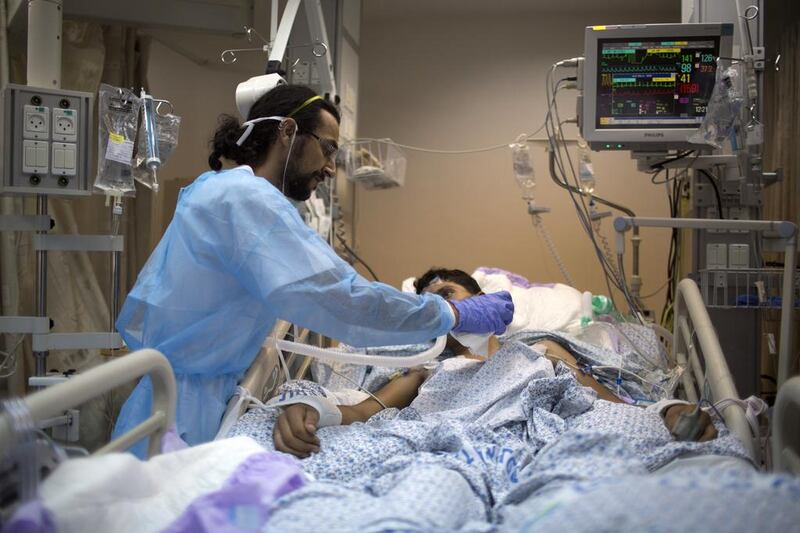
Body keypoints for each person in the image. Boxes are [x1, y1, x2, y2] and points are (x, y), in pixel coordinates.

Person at [112, 86, 514, 455]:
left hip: (189, 399)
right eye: (328, 148)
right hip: (181, 413)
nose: (331, 168)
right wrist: (451, 314)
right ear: (288, 131)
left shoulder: (229, 192)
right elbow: (344, 299)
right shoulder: (245, 199)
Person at [272, 267, 716, 457]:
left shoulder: (540, 348)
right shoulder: (426, 369)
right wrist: (312, 408)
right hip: (450, 446)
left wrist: (664, 413)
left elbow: (597, 403)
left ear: (483, 302)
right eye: (426, 306)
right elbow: (363, 411)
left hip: (537, 439)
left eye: (447, 296)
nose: (438, 310)